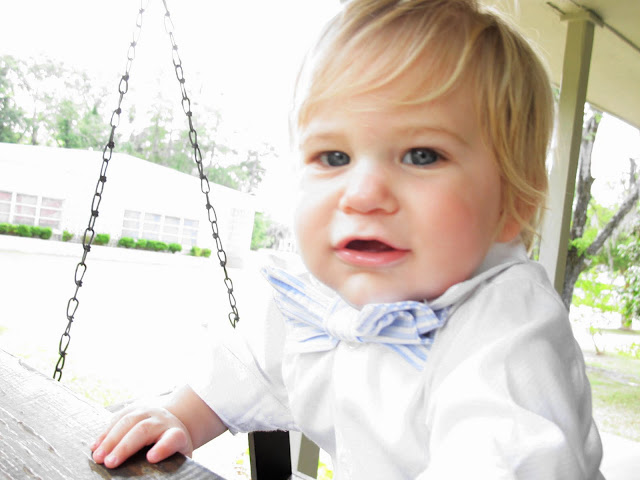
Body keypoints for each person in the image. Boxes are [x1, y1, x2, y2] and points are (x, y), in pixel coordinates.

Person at [92, 0, 604, 477]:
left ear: (513, 205)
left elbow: (507, 459)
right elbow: (247, 366)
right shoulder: (314, 301)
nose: (362, 194)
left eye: (422, 155)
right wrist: (180, 415)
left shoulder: (507, 327)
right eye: (334, 157)